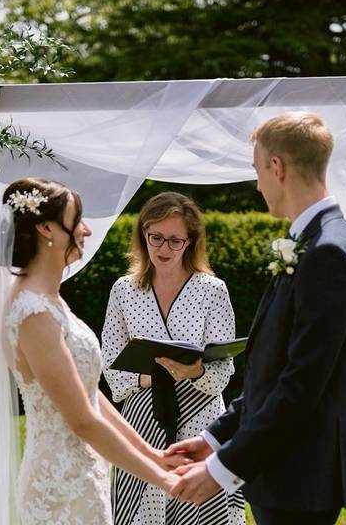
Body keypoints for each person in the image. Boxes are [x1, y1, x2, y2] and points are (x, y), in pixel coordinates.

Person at [167, 113, 346, 525]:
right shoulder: (318, 241)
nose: (258, 184)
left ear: (276, 167)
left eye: (257, 169)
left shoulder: (326, 253)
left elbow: (300, 387)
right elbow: (273, 369)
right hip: (284, 475)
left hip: (298, 478)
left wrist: (221, 469)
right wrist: (214, 438)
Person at [0, 178, 185, 525]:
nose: (86, 231)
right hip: (58, 488)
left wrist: (152, 454)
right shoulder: (32, 313)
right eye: (77, 221)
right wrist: (161, 479)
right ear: (47, 228)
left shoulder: (50, 301)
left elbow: (90, 396)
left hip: (82, 476)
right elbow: (82, 420)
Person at [102, 192, 245, 525]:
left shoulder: (213, 290)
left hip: (203, 423)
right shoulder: (123, 290)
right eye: (155, 237)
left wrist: (196, 371)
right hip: (142, 422)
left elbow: (224, 368)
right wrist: (149, 378)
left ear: (190, 241)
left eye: (174, 241)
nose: (163, 249)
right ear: (143, 235)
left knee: (203, 512)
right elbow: (109, 361)